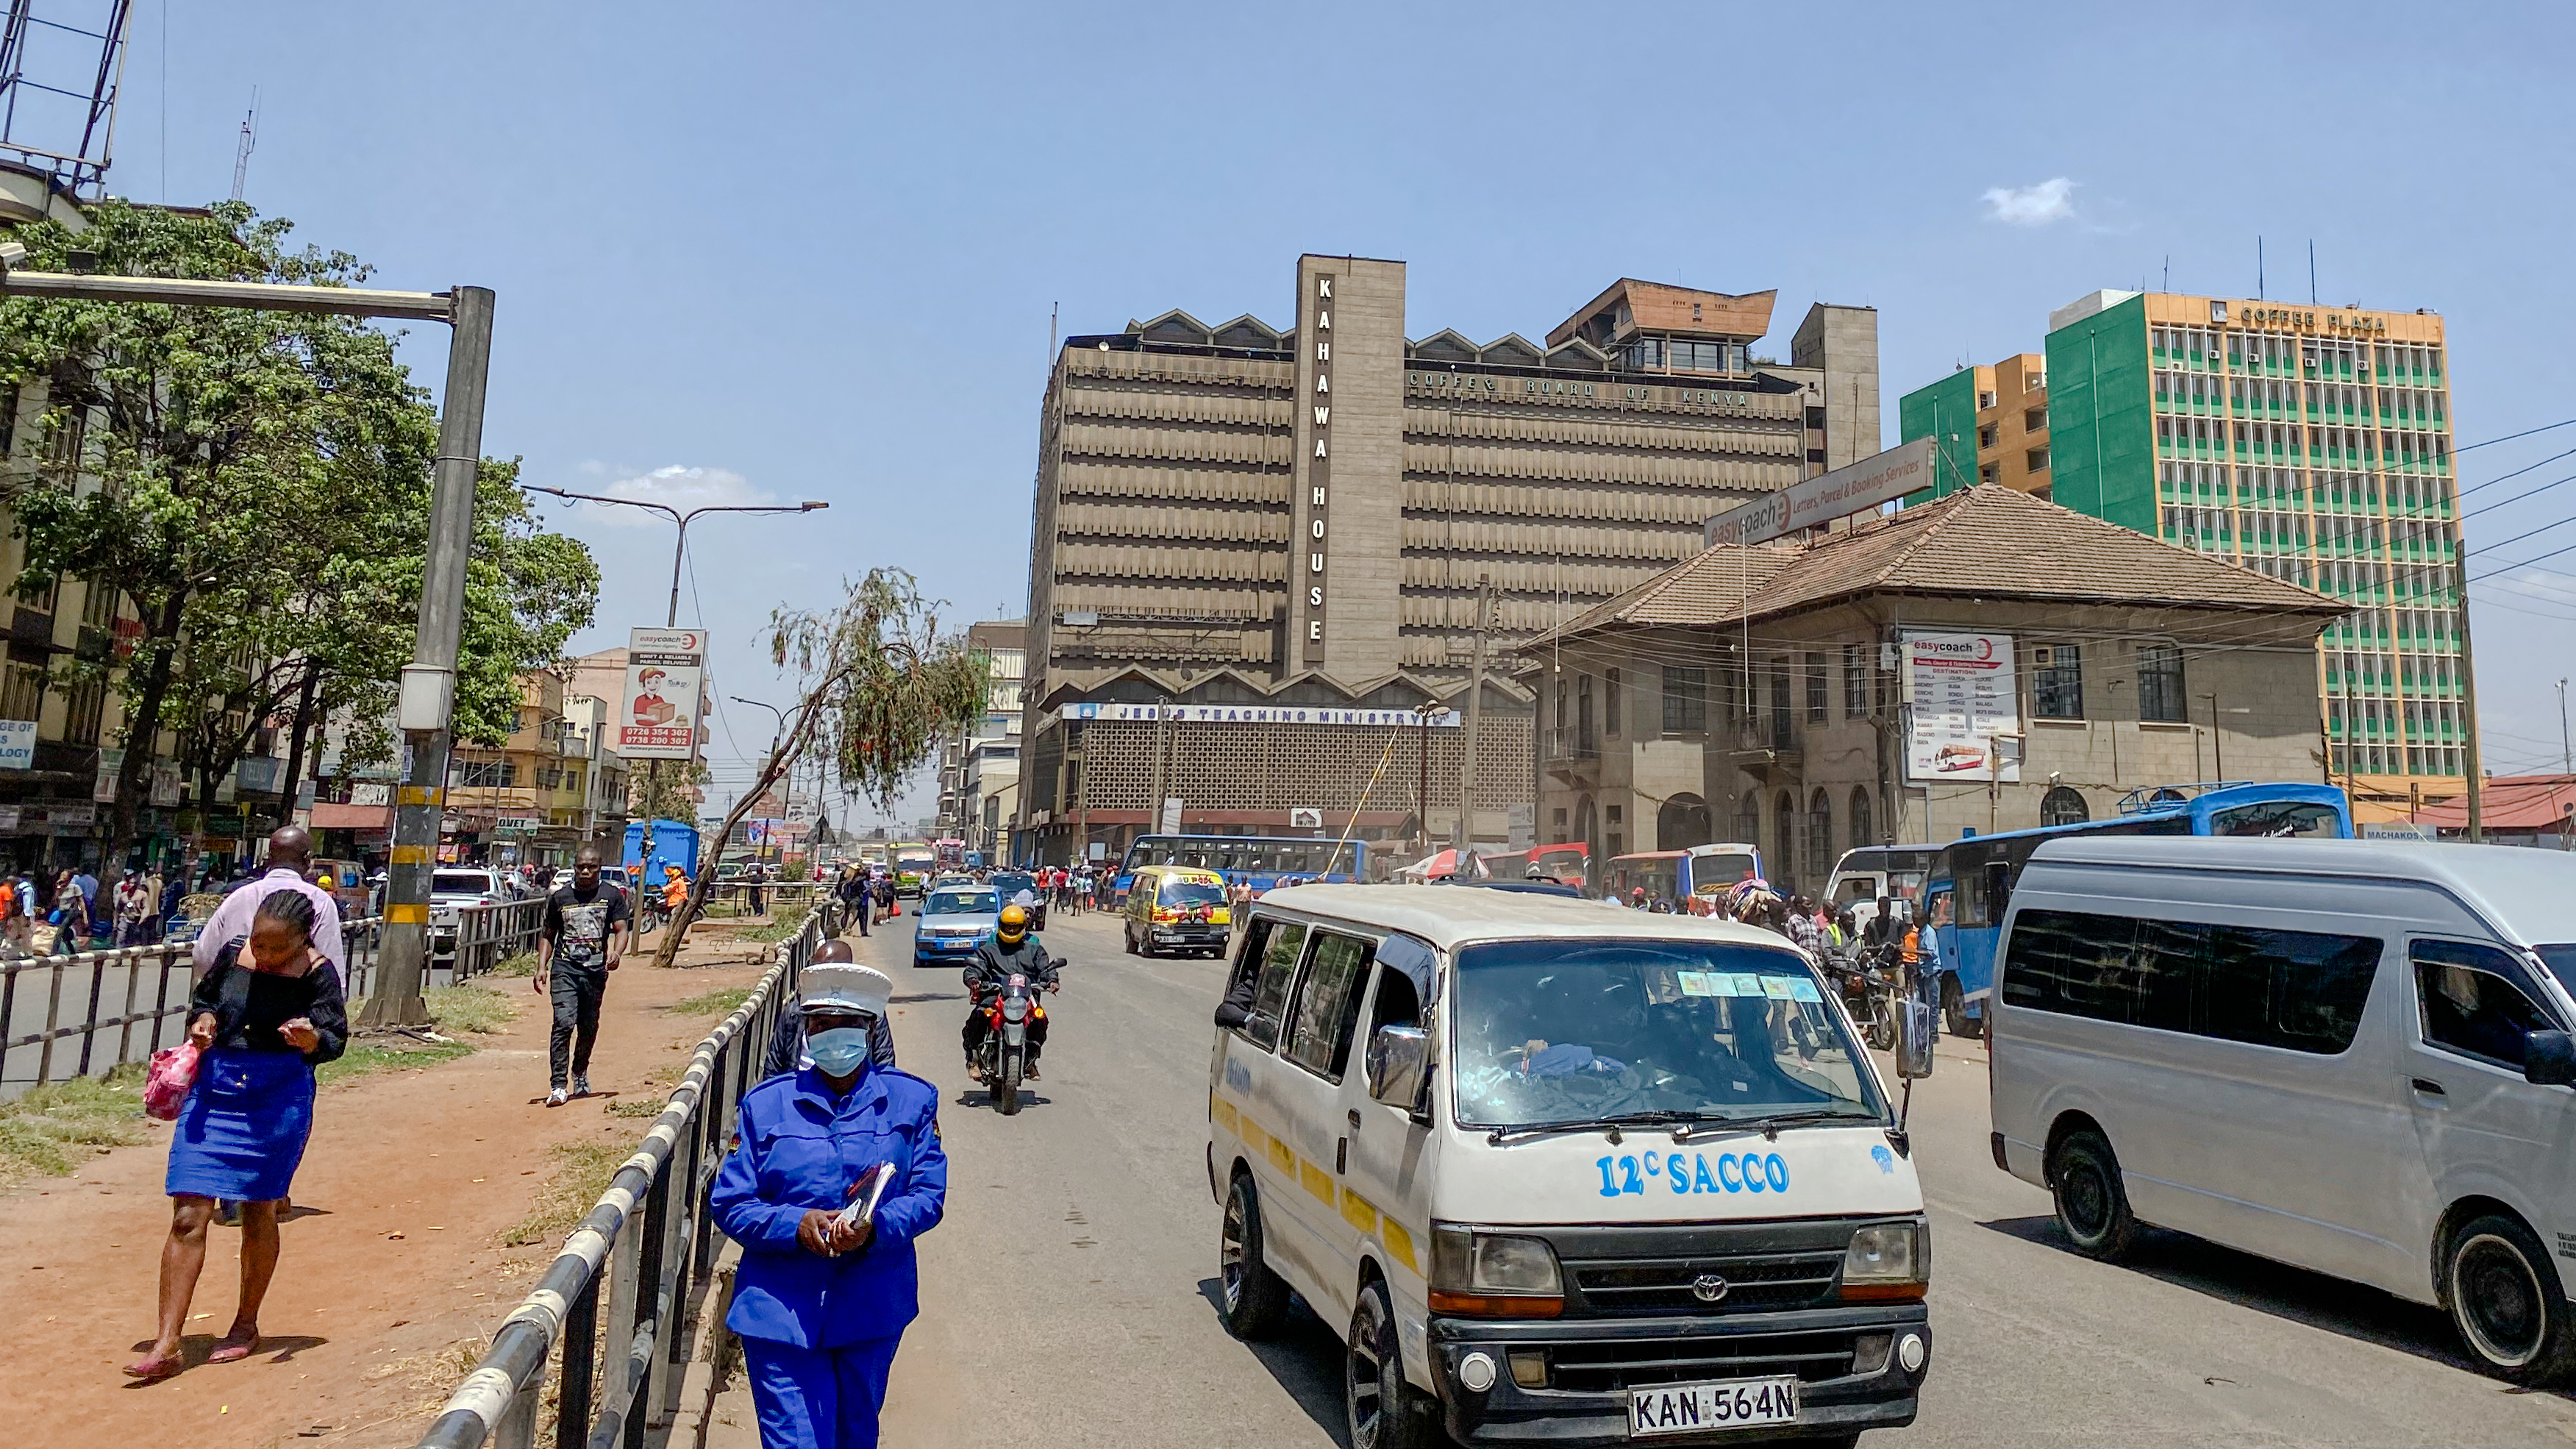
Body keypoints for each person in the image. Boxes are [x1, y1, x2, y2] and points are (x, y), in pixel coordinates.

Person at [710, 963, 944, 1449]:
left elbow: (928, 1196)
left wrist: (874, 1227)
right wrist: (795, 1225)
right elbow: (731, 1202)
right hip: (780, 1311)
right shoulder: (764, 1106)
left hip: (871, 1303)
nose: (831, 1037)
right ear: (805, 1032)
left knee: (854, 1434)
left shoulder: (911, 1102)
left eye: (845, 1026)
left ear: (869, 1030)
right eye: (819, 1025)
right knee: (796, 1441)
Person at [126, 889, 346, 1380]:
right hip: (216, 1090)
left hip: (277, 1096)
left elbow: (335, 1040)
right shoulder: (233, 954)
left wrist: (312, 1040)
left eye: (275, 948)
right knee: (188, 1212)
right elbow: (205, 1003)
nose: (263, 956)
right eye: (259, 945)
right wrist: (204, 1022)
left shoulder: (319, 974)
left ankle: (245, 1324)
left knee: (257, 1210)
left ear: (301, 940)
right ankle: (167, 1342)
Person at [535, 844, 630, 1106]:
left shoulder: (611, 896)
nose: (586, 871)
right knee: (564, 1023)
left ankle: (580, 1072)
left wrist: (617, 953)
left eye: (592, 867)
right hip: (565, 969)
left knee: (588, 1027)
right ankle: (558, 1085)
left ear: (599, 868)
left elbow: (621, 930)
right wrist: (542, 967)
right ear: (574, 867)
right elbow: (548, 935)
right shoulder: (560, 898)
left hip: (595, 971)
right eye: (581, 867)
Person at [193, 827, 346, 985]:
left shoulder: (238, 897)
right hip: (293, 1002)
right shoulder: (319, 902)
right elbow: (332, 969)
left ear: (269, 858)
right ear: (307, 859)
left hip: (234, 997)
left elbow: (203, 955)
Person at [766, 941, 896, 1078]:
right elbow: (774, 1067)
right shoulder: (795, 1012)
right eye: (821, 1024)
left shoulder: (870, 1012)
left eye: (849, 1024)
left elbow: (885, 1066)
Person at [962, 904, 1057, 1081]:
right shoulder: (989, 949)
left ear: (1023, 927)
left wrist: (1052, 980)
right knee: (978, 1016)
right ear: (1001, 926)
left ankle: (1030, 1060)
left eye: (1015, 927)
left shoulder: (1033, 949)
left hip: (1025, 997)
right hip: (995, 995)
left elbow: (1046, 967)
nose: (1011, 930)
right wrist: (973, 979)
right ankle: (974, 1059)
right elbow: (975, 966)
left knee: (1040, 1020)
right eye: (1008, 927)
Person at [115, 868, 153, 947]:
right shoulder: (123, 896)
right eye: (128, 883)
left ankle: (135, 957)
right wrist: (115, 922)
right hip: (124, 918)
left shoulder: (142, 895)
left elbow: (146, 908)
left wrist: (143, 918)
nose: (129, 885)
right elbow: (118, 909)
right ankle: (118, 956)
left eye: (132, 884)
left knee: (135, 940)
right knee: (121, 937)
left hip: (137, 919)